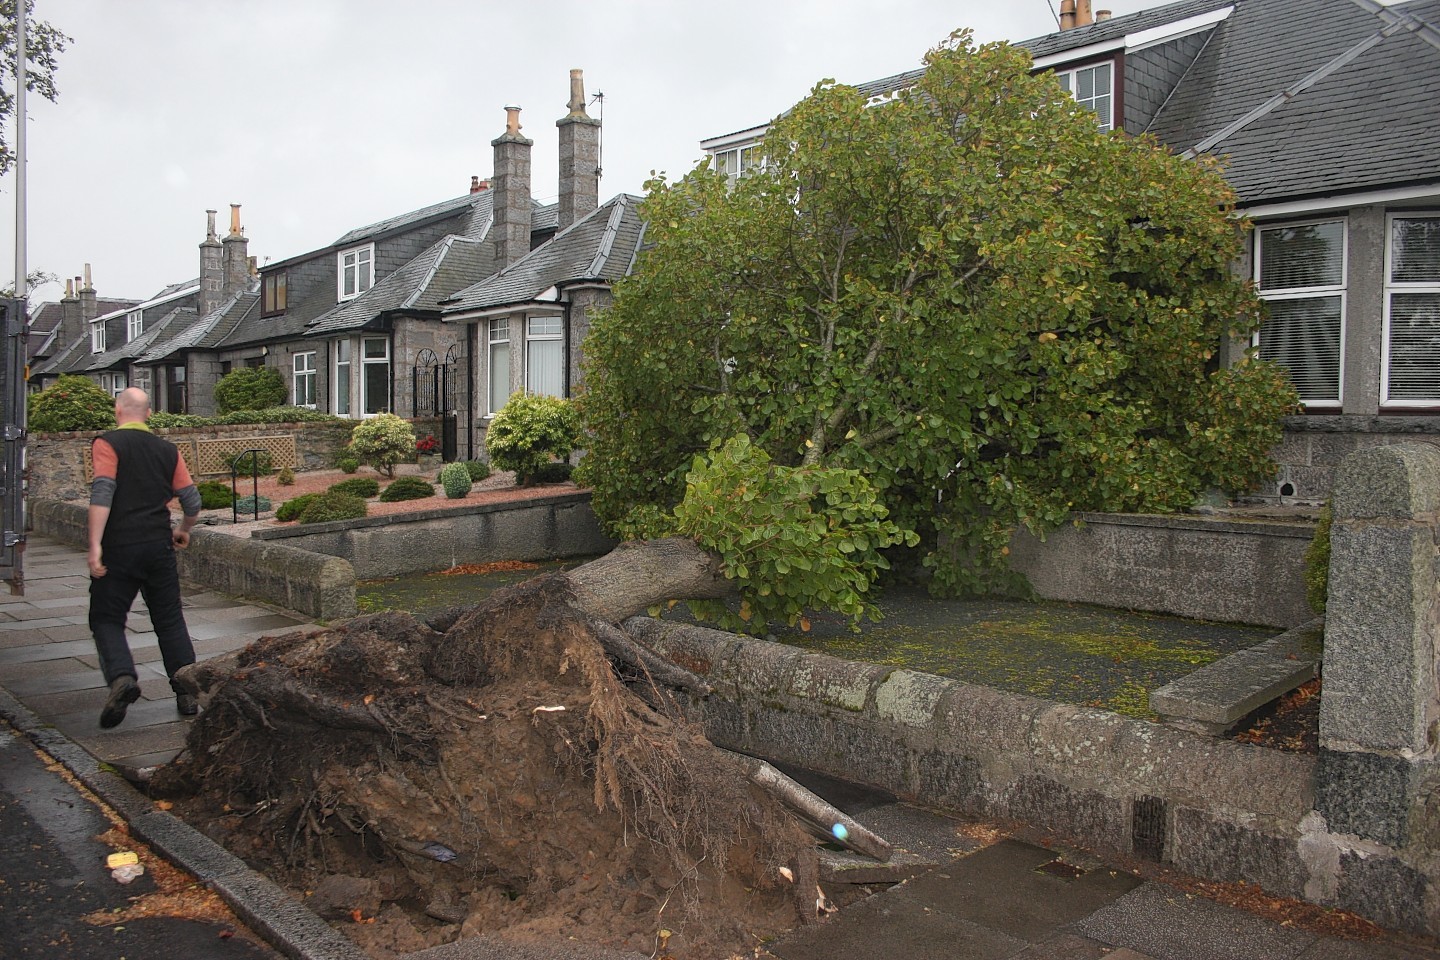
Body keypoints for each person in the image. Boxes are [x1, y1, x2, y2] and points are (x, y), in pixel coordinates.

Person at [88, 387, 203, 728]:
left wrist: (94, 545)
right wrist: (183, 528)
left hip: (119, 547)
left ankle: (123, 678)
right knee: (169, 620)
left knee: (107, 619)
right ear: (149, 414)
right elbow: (192, 501)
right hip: (158, 546)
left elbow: (103, 493)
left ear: (117, 411)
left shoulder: (107, 443)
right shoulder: (167, 450)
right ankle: (186, 692)